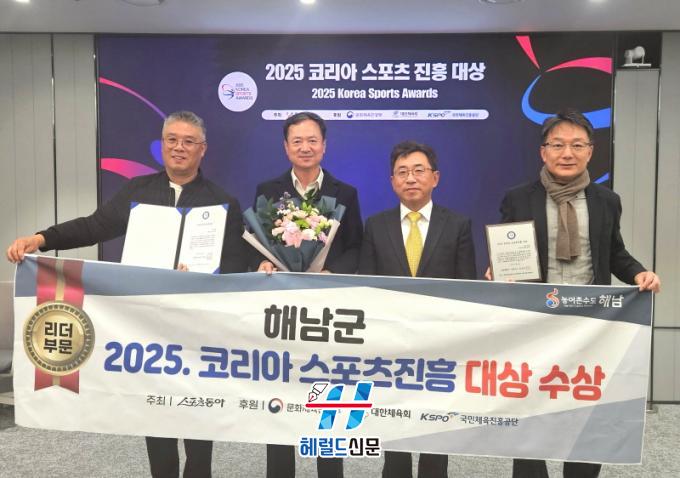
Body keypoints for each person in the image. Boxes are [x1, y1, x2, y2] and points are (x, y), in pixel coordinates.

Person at [6, 110, 248, 478]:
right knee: (156, 411)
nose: (179, 148)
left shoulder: (223, 201)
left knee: (199, 414)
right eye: (171, 140)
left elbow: (235, 265)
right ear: (162, 144)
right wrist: (41, 239)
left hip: (198, 327)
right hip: (148, 326)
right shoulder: (138, 191)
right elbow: (93, 226)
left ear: (203, 149)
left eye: (188, 142)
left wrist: (202, 277)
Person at [487, 108, 660, 478]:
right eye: (558, 145)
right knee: (531, 413)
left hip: (591, 326)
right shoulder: (518, 198)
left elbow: (615, 253)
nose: (567, 153)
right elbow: (507, 250)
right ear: (543, 151)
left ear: (590, 151)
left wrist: (640, 273)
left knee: (586, 410)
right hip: (535, 324)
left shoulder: (606, 201)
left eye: (577, 145)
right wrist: (497, 269)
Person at [359, 140, 477, 478]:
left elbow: (466, 288)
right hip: (391, 347)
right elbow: (365, 286)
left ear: (435, 178)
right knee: (394, 424)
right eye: (402, 172)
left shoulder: (457, 225)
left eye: (418, 170)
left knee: (434, 430)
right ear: (392, 181)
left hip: (440, 346)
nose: (410, 178)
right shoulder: (376, 225)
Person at [254, 111, 363, 478]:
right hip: (282, 312)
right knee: (280, 397)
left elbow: (356, 247)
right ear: (286, 147)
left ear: (324, 146)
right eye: (297, 141)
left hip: (327, 312)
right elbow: (256, 243)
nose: (305, 147)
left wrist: (331, 273)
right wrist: (263, 263)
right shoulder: (267, 190)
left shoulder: (345, 193)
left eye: (312, 140)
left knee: (327, 398)